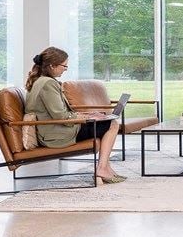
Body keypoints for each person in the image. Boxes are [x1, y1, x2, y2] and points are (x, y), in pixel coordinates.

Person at [24, 46, 125, 184]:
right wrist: (87, 118)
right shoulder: (48, 84)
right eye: (64, 65)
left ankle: (105, 167)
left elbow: (60, 112)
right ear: (52, 66)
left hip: (55, 130)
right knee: (112, 124)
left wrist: (87, 115)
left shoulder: (41, 81)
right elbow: (60, 116)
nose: (65, 69)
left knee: (106, 124)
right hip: (57, 135)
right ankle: (102, 168)